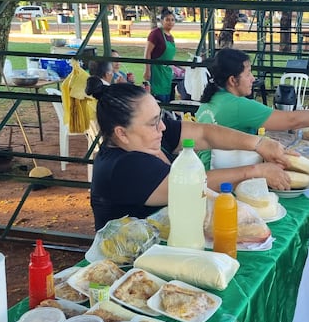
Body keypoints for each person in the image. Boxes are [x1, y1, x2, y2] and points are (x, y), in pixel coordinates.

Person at [85, 81, 293, 230]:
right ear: (121, 133)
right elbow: (190, 185)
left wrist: (260, 144)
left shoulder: (147, 137)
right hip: (132, 267)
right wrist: (256, 171)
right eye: (153, 123)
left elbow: (205, 133)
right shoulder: (122, 166)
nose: (163, 127)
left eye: (160, 117)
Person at [195, 48, 309, 168]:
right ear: (232, 80)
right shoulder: (236, 106)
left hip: (204, 173)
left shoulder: (210, 100)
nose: (253, 78)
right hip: (223, 180)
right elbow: (292, 120)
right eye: (248, 74)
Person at [143, 8, 177, 103]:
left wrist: (183, 68)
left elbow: (170, 58)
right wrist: (147, 70)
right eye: (167, 20)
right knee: (158, 98)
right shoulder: (155, 34)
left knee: (167, 99)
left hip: (167, 73)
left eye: (172, 20)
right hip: (156, 71)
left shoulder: (171, 37)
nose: (170, 22)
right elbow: (147, 52)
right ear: (162, 21)